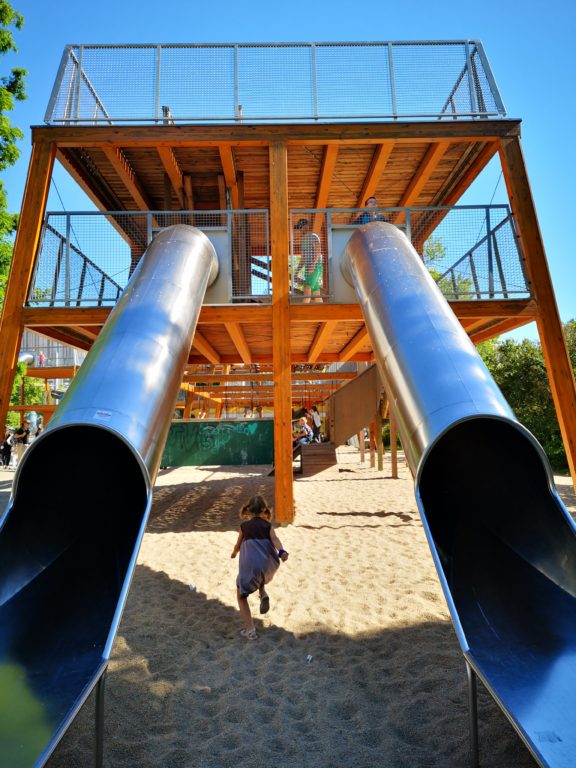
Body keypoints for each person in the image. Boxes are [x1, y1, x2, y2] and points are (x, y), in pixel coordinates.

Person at [231, 495, 289, 640]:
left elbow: (238, 545)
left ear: (248, 510)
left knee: (241, 595)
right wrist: (282, 552)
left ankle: (250, 630)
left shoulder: (244, 527)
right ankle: (263, 594)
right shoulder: (268, 526)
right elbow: (275, 539)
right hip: (268, 563)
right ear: (264, 510)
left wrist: (234, 552)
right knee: (260, 575)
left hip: (250, 565)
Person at [294, 218, 323, 303]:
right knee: (316, 292)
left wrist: (313, 265)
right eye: (299, 227)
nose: (300, 229)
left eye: (301, 227)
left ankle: (303, 310)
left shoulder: (313, 236)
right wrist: (297, 272)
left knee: (307, 288)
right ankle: (323, 312)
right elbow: (303, 259)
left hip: (315, 265)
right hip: (308, 267)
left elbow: (318, 251)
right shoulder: (303, 242)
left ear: (306, 226)